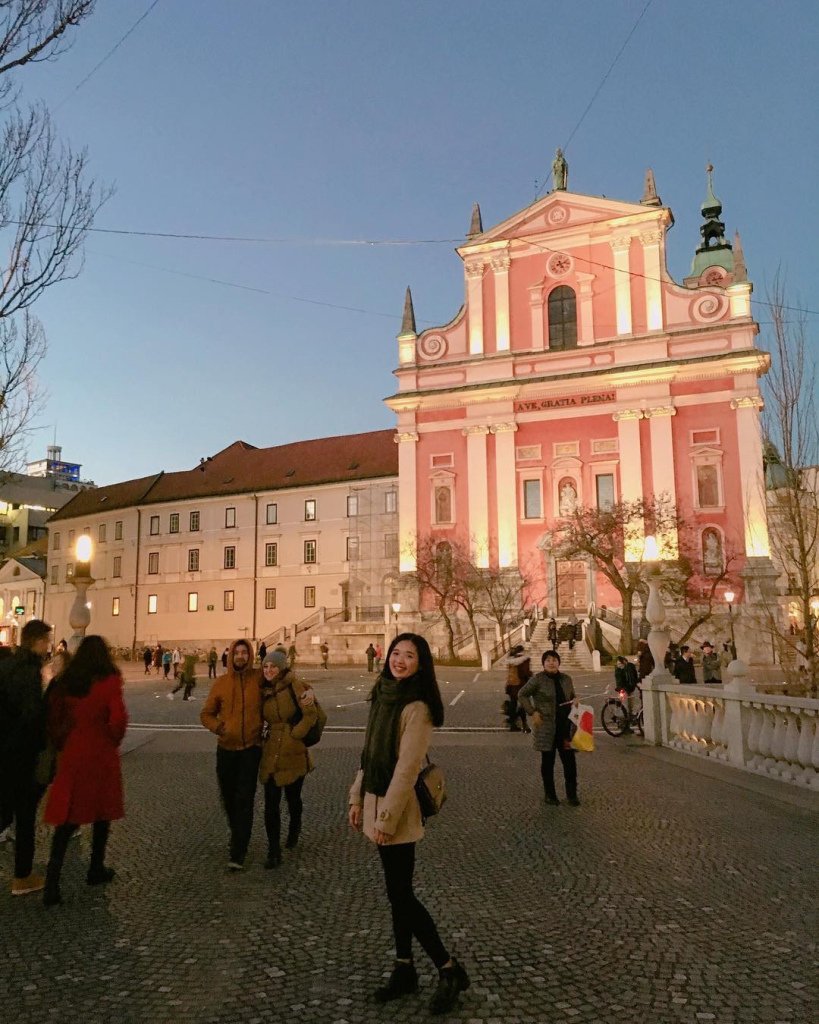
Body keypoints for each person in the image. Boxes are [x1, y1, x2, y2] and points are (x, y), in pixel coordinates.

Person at [348, 633, 470, 1014]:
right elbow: (370, 754)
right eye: (396, 653)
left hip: (397, 810)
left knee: (401, 894)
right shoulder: (383, 693)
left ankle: (448, 967)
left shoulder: (418, 707)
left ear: (421, 664)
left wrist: (385, 817)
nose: (400, 660)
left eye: (409, 656)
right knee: (396, 891)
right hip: (376, 799)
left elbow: (406, 767)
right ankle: (404, 967)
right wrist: (357, 797)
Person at [41, 636, 128, 906]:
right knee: (102, 815)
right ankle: (95, 868)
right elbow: (118, 720)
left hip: (73, 754)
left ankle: (52, 884)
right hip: (100, 755)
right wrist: (111, 739)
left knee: (67, 820)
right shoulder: (109, 681)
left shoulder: (70, 682)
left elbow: (55, 717)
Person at [200, 639, 263, 871]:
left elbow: (283, 680)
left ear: (250, 655)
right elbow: (206, 714)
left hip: (251, 748)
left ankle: (238, 850)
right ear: (231, 656)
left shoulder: (258, 679)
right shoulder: (221, 683)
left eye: (244, 652)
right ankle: (237, 831)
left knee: (244, 799)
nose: (240, 656)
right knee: (228, 797)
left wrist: (306, 694)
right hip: (226, 749)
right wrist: (219, 727)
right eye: (236, 652)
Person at [0, 619, 52, 895]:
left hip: (3, 748)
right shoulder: (31, 670)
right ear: (37, 641)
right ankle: (23, 876)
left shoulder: (6, 664)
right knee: (25, 814)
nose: (49, 646)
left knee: (4, 810)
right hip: (21, 754)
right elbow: (31, 716)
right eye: (47, 641)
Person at [259, 649, 317, 868]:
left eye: (273, 666)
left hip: (293, 753)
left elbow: (310, 714)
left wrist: (296, 735)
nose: (269, 670)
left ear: (282, 668)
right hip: (271, 752)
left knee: (293, 798)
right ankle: (273, 850)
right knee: (271, 804)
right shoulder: (262, 689)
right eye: (265, 666)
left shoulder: (296, 685)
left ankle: (295, 827)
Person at [518, 650, 579, 807]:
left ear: (559, 662)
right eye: (548, 660)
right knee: (548, 762)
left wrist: (575, 700)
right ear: (543, 663)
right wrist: (532, 712)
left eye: (554, 660)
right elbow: (522, 694)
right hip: (547, 727)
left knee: (570, 763)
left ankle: (572, 795)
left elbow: (571, 695)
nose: (551, 663)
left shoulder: (566, 679)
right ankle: (550, 794)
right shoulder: (538, 680)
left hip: (565, 728)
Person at [504, 646, 532, 732]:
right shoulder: (524, 660)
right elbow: (525, 672)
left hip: (511, 685)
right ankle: (524, 725)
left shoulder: (511, 660)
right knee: (523, 705)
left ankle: (513, 724)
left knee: (513, 704)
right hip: (520, 685)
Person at [614, 656, 640, 731]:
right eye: (618, 664)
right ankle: (623, 726)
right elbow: (619, 681)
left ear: (624, 662)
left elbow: (634, 677)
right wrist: (621, 689)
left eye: (620, 664)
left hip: (630, 689)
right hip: (623, 690)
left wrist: (636, 684)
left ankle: (627, 726)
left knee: (630, 707)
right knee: (624, 707)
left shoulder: (630, 667)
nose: (619, 666)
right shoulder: (618, 670)